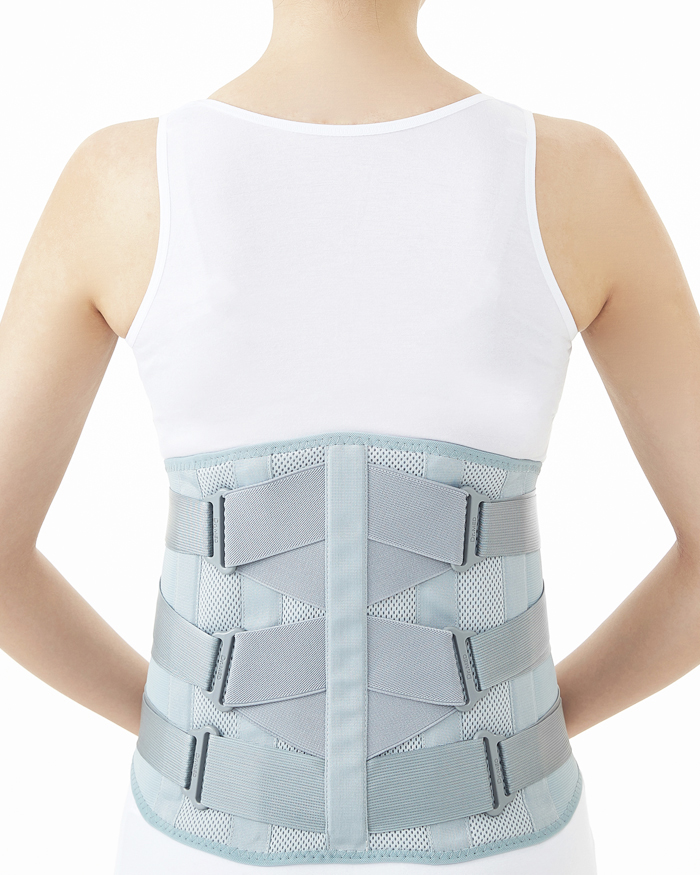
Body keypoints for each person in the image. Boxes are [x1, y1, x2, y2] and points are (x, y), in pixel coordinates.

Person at [0, 0, 698, 872]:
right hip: (509, 841)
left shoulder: (123, 182)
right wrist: (525, 728)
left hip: (198, 844)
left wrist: (184, 731)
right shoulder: (574, 178)